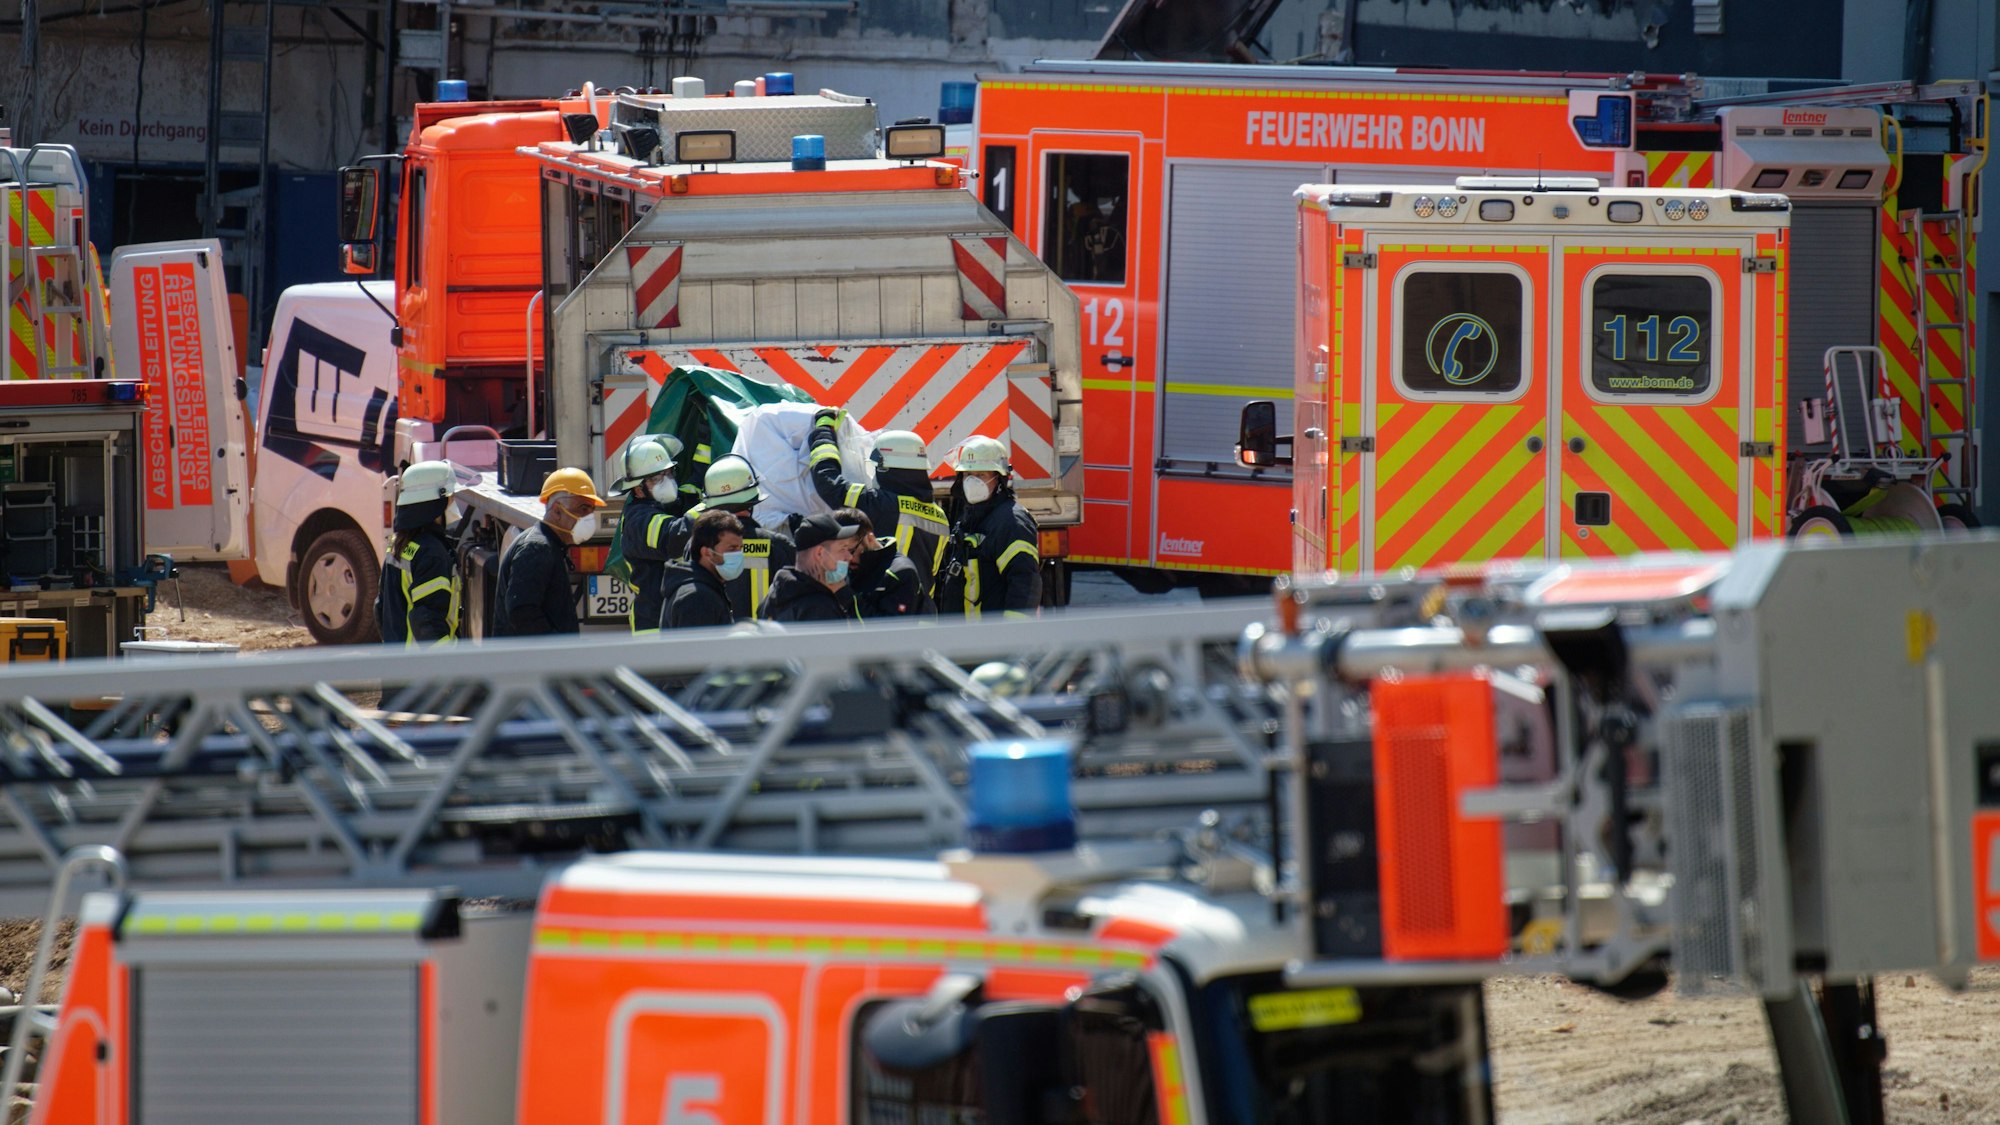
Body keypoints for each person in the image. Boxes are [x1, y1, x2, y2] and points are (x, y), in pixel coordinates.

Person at [805, 410, 944, 612]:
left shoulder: (881, 504)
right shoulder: (940, 517)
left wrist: (824, 431)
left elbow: (828, 482)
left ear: (886, 468)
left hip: (879, 606)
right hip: (920, 611)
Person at [665, 455, 796, 621]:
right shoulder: (778, 546)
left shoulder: (698, 546)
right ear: (752, 500)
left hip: (718, 643)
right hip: (766, 644)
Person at [937, 435, 1041, 619]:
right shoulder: (969, 517)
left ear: (999, 478)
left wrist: (1012, 634)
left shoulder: (1011, 521)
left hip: (994, 639)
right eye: (968, 475)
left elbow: (1024, 581)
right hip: (965, 639)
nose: (972, 481)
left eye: (981, 475)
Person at [493, 466, 603, 636]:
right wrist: (556, 648)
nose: (588, 517)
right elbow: (522, 611)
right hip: (531, 662)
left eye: (591, 510)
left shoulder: (549, 546)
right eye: (583, 508)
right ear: (557, 511)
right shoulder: (537, 549)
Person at [609, 434, 689, 632]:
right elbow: (674, 538)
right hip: (653, 624)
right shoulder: (639, 519)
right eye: (656, 478)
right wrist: (708, 509)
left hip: (671, 618)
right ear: (638, 489)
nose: (667, 481)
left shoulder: (664, 508)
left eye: (669, 473)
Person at [376, 459, 461, 644]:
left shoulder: (398, 544)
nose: (453, 503)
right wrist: (452, 662)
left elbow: (380, 608)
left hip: (398, 666)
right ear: (434, 503)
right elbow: (426, 623)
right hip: (424, 670)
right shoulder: (432, 555)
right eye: (450, 497)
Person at [759, 511, 862, 623]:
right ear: (819, 553)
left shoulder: (772, 596)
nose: (849, 556)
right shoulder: (821, 608)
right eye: (842, 549)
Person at [838, 506, 925, 618]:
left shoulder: (901, 573)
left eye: (851, 551)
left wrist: (842, 592)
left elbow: (888, 631)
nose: (847, 558)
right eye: (839, 552)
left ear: (869, 538)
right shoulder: (842, 567)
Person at [664, 509, 743, 629]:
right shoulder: (697, 599)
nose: (738, 554)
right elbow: (697, 648)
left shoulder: (706, 589)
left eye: (740, 548)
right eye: (732, 548)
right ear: (707, 553)